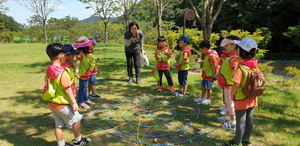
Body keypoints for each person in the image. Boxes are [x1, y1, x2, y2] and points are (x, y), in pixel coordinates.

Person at [44, 43, 91, 146]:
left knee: (58, 125)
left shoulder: (49, 69)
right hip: (62, 104)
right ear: (62, 56)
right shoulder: (62, 72)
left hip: (52, 102)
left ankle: (61, 144)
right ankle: (78, 141)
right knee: (76, 119)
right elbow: (67, 89)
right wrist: (74, 103)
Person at [225, 38, 258, 146]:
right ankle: (246, 140)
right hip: (252, 97)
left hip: (241, 98)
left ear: (242, 51)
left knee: (240, 121)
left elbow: (236, 84)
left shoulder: (240, 68)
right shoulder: (254, 65)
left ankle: (236, 142)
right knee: (249, 120)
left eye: (238, 48)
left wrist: (231, 94)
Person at [215, 36, 240, 130]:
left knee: (230, 103)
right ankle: (227, 118)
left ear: (233, 45)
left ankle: (233, 123)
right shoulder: (228, 57)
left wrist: (235, 82)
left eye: (226, 45)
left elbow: (236, 71)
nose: (224, 48)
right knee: (228, 102)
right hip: (226, 84)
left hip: (230, 85)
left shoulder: (234, 58)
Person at [194, 40, 219, 105]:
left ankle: (208, 99)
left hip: (210, 75)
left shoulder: (211, 56)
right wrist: (200, 61)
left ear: (204, 48)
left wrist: (215, 75)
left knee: (208, 88)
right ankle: (202, 97)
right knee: (204, 86)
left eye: (201, 50)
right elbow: (206, 62)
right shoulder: (207, 55)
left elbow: (213, 66)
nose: (202, 51)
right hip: (205, 74)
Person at [74, 36, 96, 109]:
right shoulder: (80, 53)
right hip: (82, 74)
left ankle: (85, 99)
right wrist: (76, 72)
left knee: (85, 87)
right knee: (82, 88)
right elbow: (78, 63)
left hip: (87, 73)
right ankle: (81, 102)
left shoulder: (86, 53)